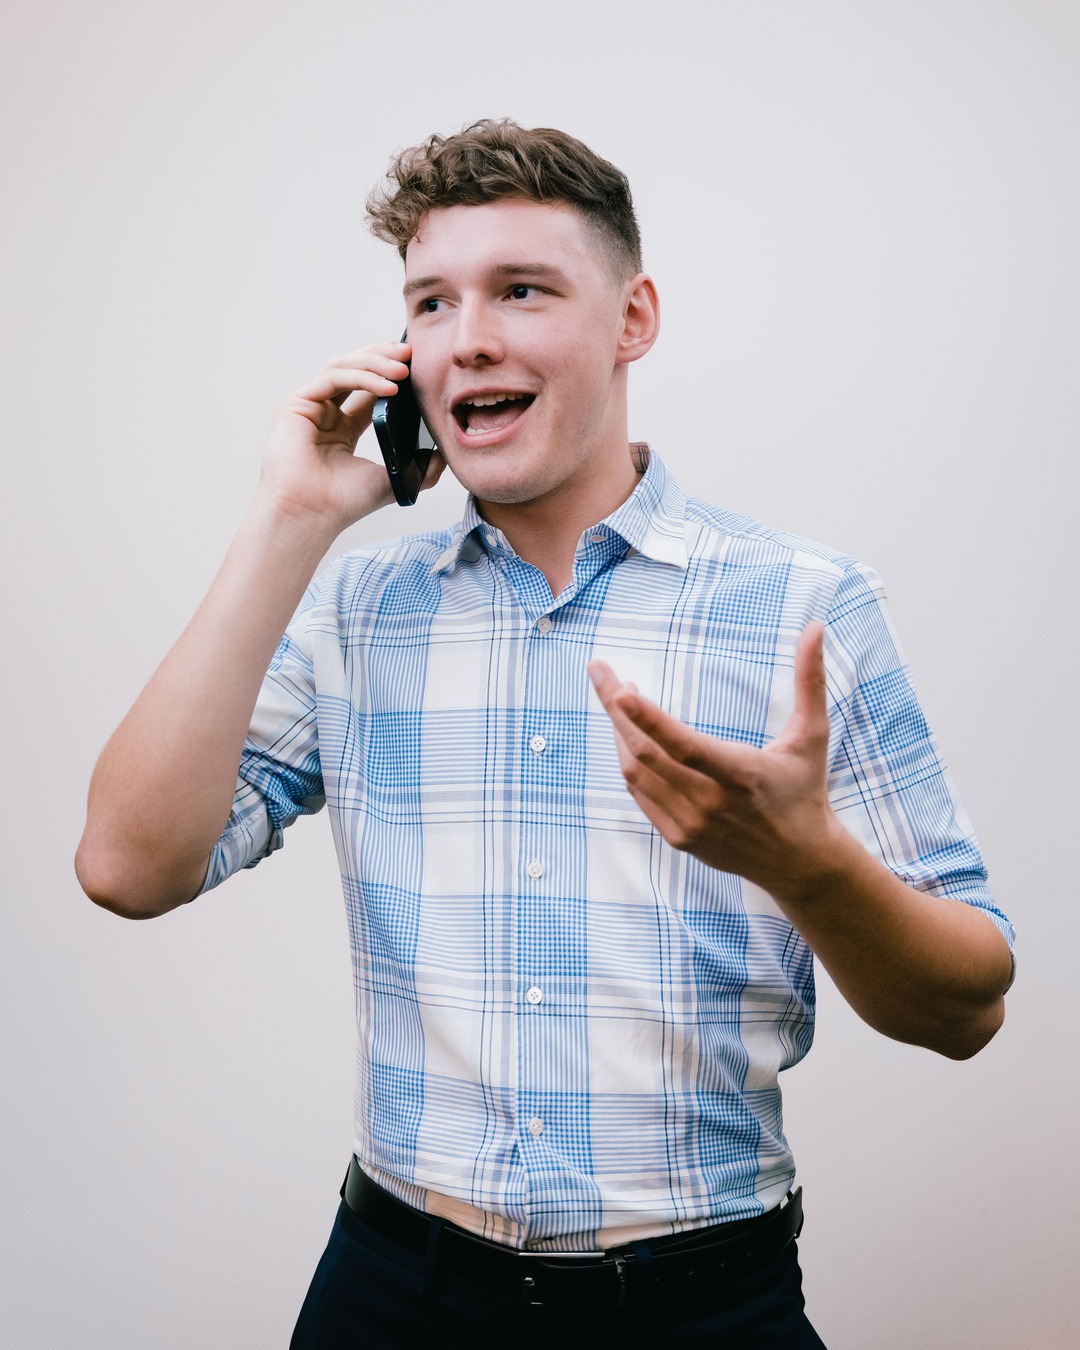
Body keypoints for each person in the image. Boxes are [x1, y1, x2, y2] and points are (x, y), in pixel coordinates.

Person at [76, 120, 1015, 1348]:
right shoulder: (356, 607)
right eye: (430, 302)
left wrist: (806, 863)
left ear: (633, 319)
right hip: (391, 1295)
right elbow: (127, 868)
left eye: (521, 289)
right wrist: (288, 519)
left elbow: (967, 1009)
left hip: (700, 1311)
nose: (467, 337)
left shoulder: (803, 604)